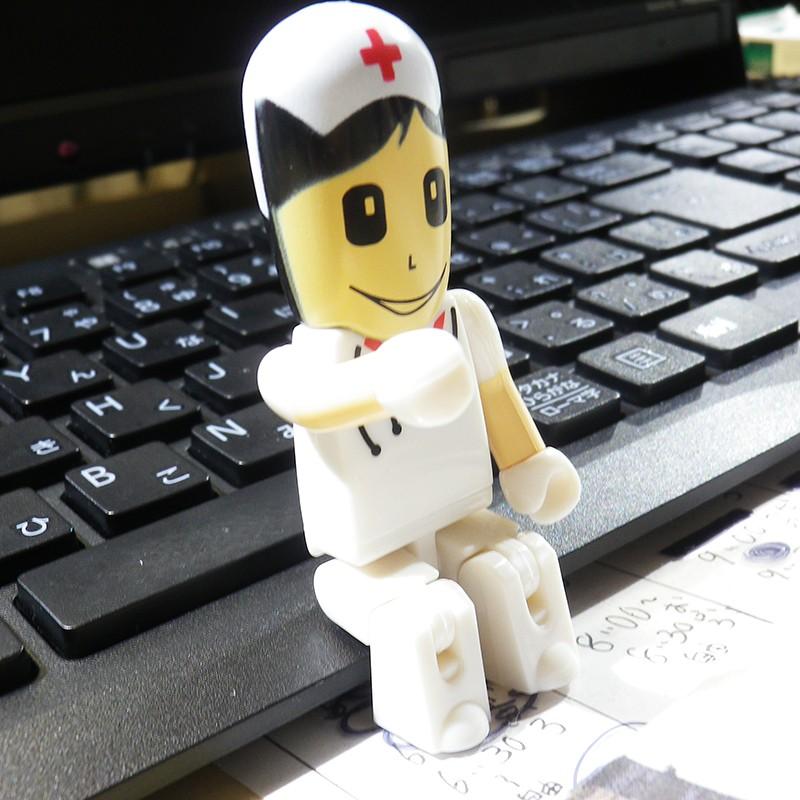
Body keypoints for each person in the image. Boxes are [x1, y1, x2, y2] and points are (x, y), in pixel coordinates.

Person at [243, 1, 582, 753]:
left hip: (455, 512)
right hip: (365, 561)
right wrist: (384, 382)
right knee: (430, 617)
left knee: (516, 563)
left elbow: (496, 397)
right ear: (284, 224)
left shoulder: (461, 318)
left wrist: (527, 465)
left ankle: (538, 660)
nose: (409, 250)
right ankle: (441, 713)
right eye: (365, 214)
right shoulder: (320, 359)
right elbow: (302, 397)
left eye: (430, 198)